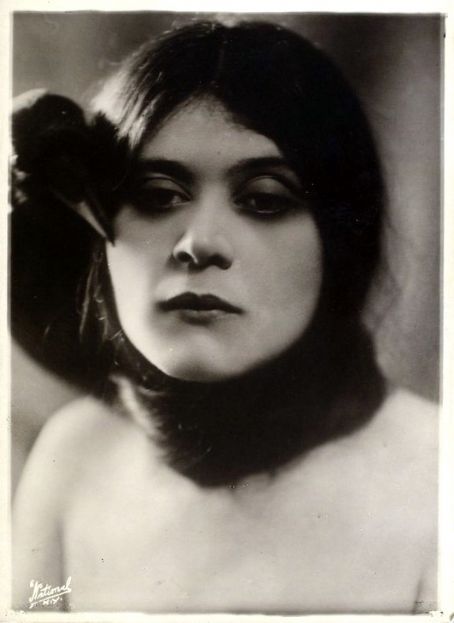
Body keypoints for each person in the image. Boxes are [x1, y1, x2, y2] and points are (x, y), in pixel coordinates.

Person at [11, 20, 437, 613]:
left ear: (341, 240)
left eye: (263, 199)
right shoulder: (76, 455)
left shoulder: (436, 473)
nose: (200, 243)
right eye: (157, 196)